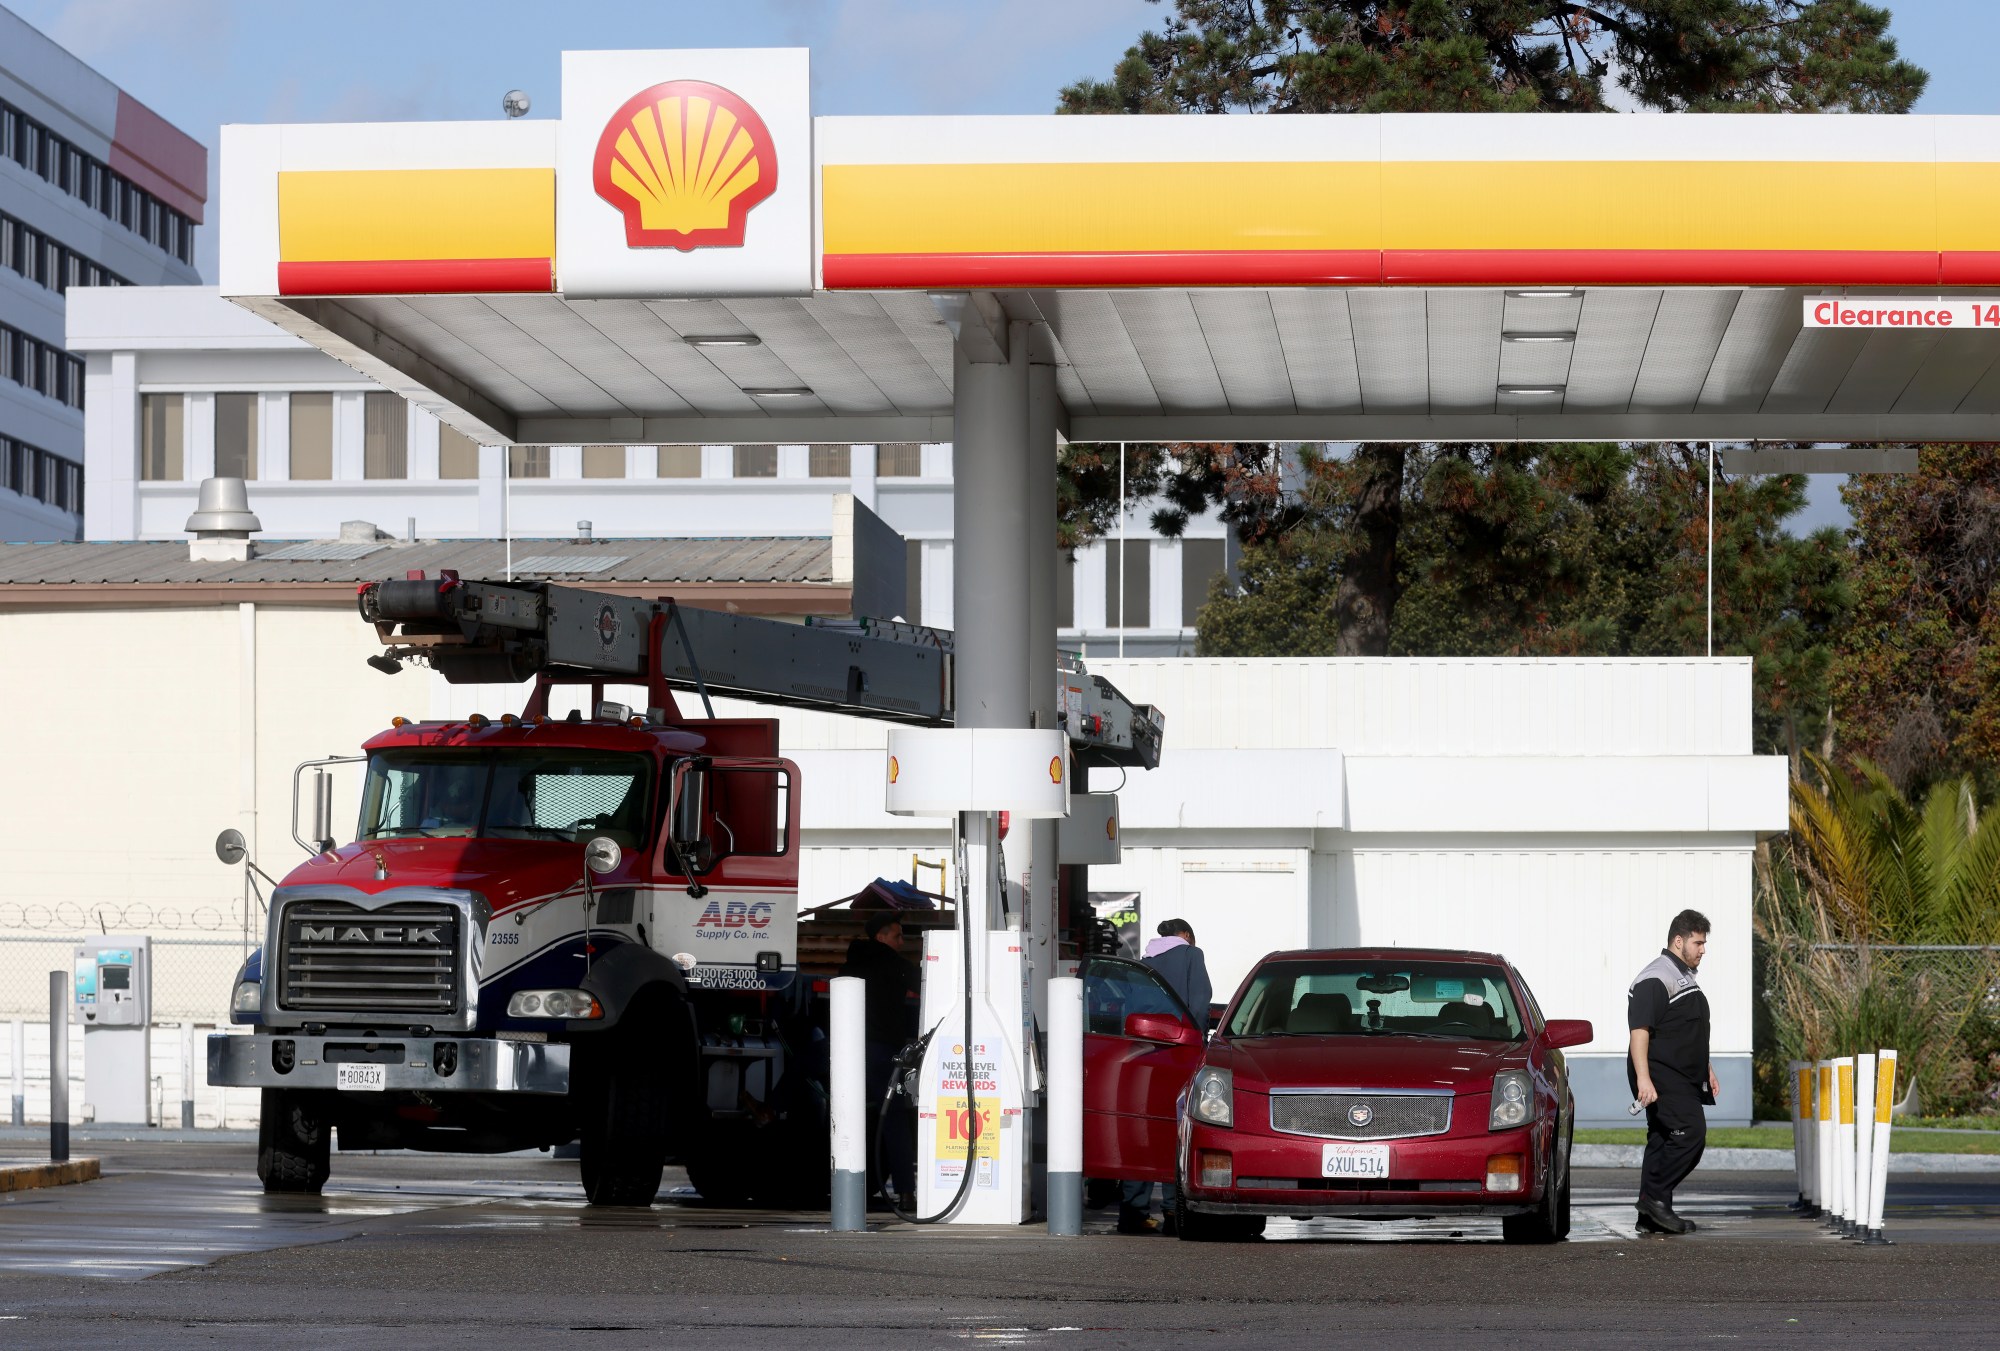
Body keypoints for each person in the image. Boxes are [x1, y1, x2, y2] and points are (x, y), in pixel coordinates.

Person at [1118, 918, 1213, 1234]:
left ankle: (1132, 1213)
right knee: (1177, 1128)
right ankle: (1174, 1212)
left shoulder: (1144, 963)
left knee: (1142, 1128)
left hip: (1141, 1055)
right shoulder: (1191, 955)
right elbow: (1200, 1002)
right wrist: (1198, 1039)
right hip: (1179, 1053)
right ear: (1186, 935)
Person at [1627, 909, 1719, 1235]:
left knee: (1662, 1138)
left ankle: (1653, 1213)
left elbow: (1684, 1029)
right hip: (1660, 1074)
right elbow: (1639, 1032)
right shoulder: (1656, 977)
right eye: (1698, 942)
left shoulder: (1682, 975)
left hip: (1681, 1075)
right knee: (1690, 1135)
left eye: (1704, 943)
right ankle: (1653, 1198)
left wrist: (1705, 1067)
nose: (1703, 949)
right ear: (1678, 941)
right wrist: (1643, 1079)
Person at [838, 909, 921, 1203]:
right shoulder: (895, 965)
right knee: (895, 1118)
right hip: (883, 1051)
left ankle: (771, 1106)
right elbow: (925, 984)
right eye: (897, 935)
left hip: (848, 1049)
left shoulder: (851, 964)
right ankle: (906, 1192)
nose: (902, 941)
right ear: (881, 937)